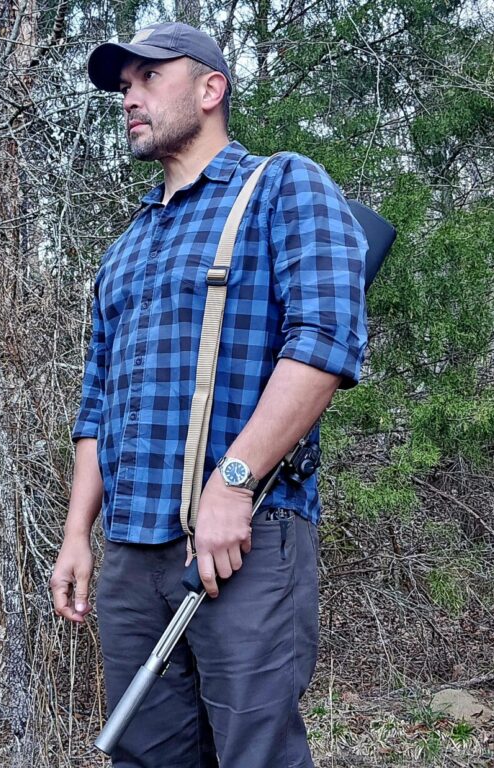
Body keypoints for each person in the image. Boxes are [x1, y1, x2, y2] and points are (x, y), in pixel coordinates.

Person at [50, 21, 368, 768]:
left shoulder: (281, 186)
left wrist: (234, 481)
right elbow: (98, 401)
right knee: (144, 757)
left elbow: (324, 344)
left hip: (244, 538)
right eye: (123, 86)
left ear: (210, 89)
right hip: (133, 553)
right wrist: (77, 534)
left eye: (148, 78)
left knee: (257, 755)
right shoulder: (126, 248)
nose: (129, 97)